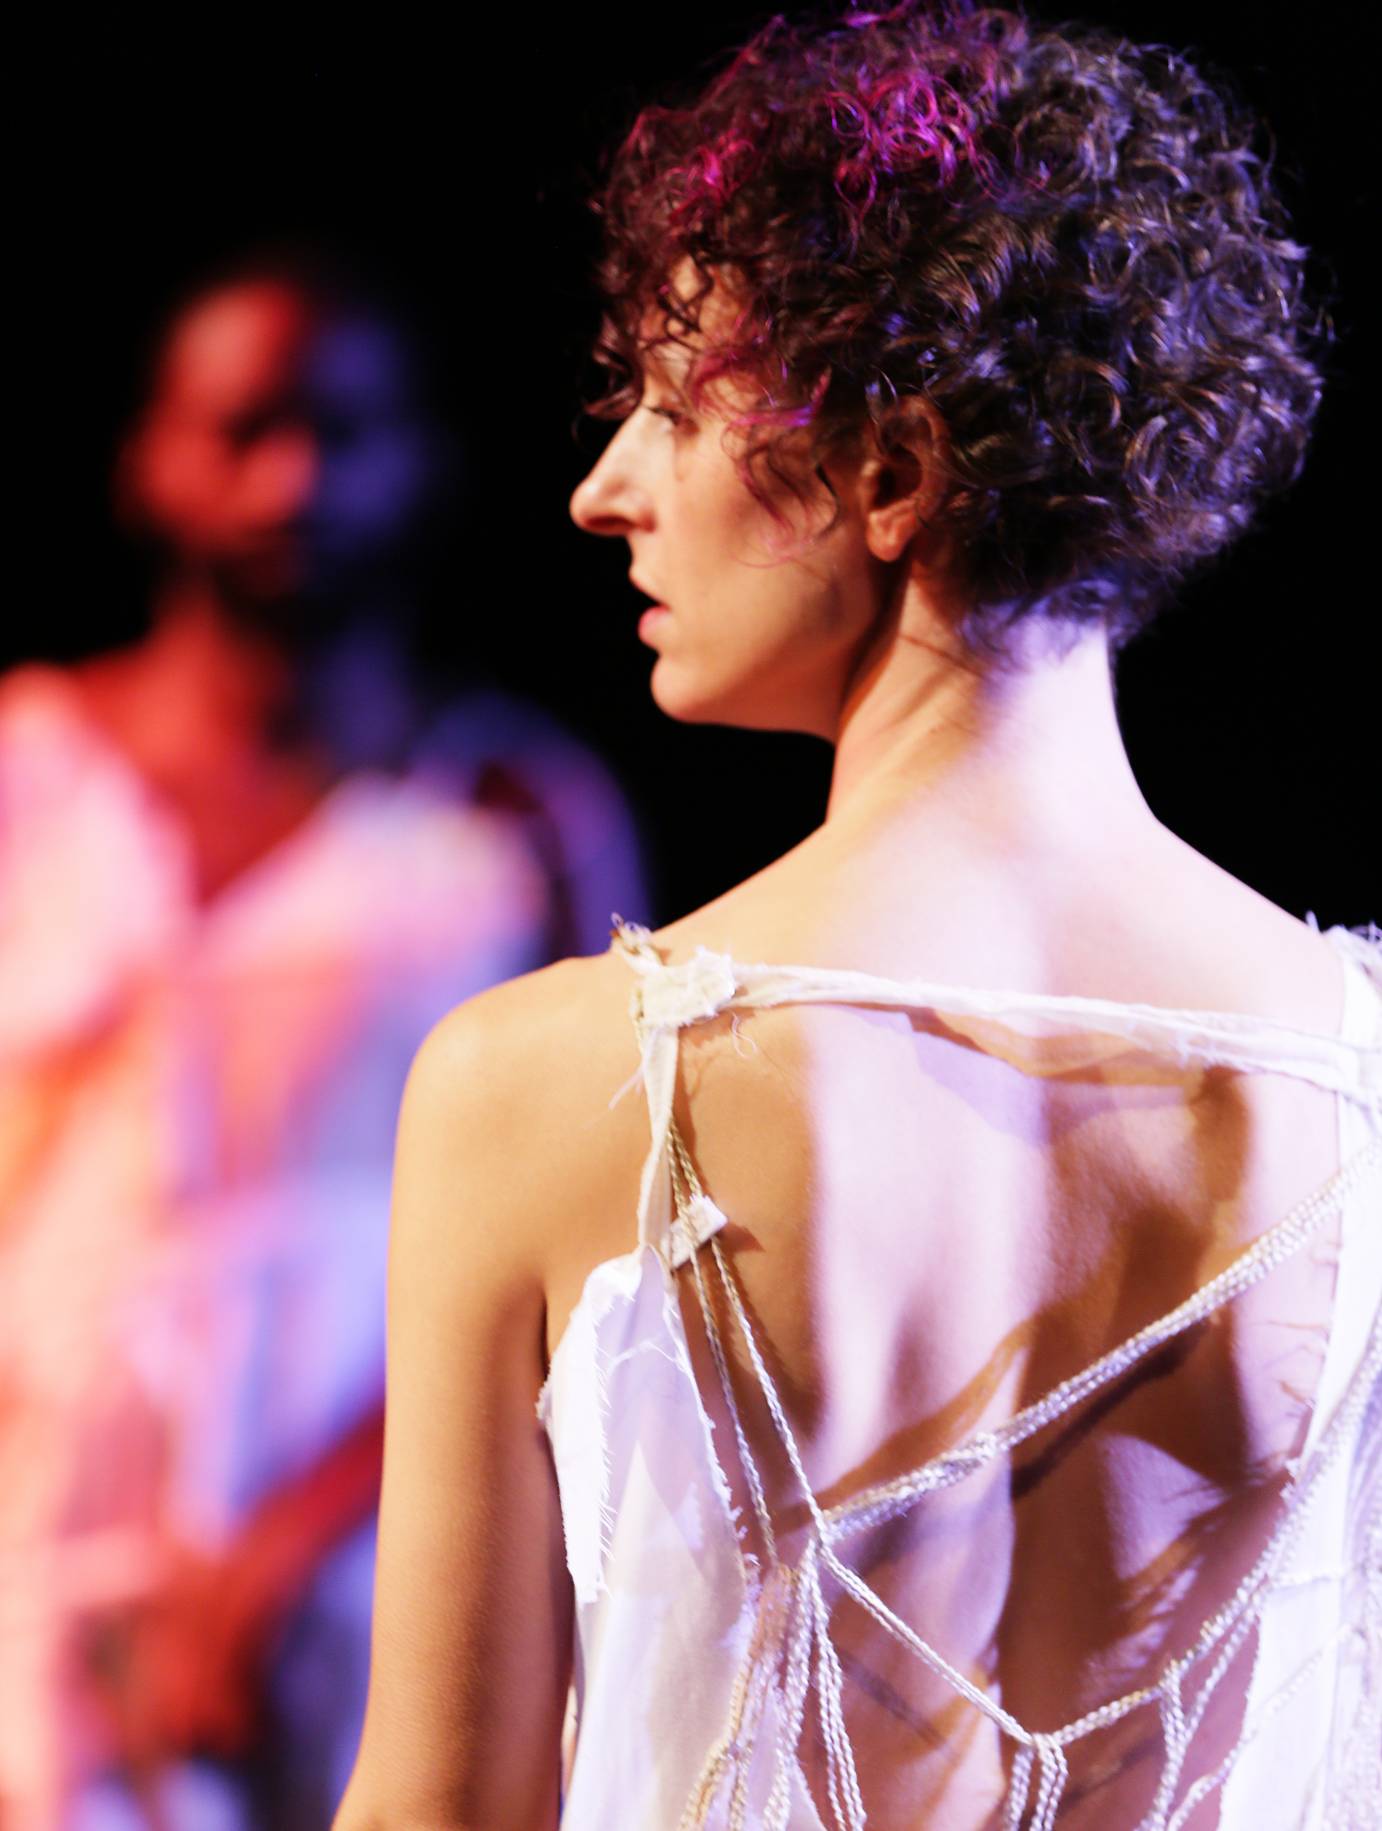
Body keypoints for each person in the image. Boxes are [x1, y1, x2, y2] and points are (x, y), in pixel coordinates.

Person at [332, 5, 1380, 1826]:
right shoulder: (1358, 1093)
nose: (604, 493)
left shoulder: (547, 1087)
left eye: (670, 406)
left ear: (888, 475)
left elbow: (439, 1807)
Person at [0, 259, 643, 1829]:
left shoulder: (511, 818)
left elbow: (606, 1222)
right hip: (41, 1486)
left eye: (343, 433)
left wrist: (293, 1541)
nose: (292, 479)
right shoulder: (32, 765)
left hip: (377, 1495)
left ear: (421, 464)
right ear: (152, 455)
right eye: (244, 429)